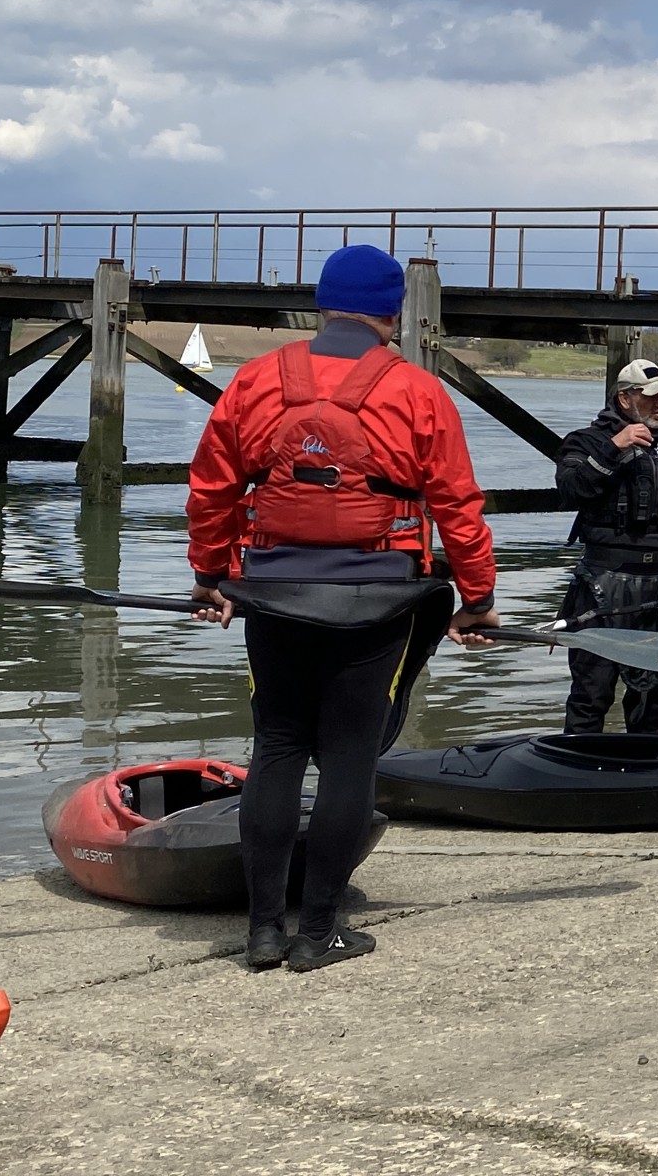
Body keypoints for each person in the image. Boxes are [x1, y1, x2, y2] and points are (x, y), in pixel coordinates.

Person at [187, 245, 500, 971]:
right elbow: (458, 505)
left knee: (278, 747)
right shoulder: (417, 391)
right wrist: (477, 599)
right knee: (350, 759)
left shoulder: (255, 380)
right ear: (393, 314)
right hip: (377, 597)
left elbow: (211, 491)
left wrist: (212, 575)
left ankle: (263, 930)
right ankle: (318, 932)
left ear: (320, 305)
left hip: (271, 594)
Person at [554, 357, 658, 733]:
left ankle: (645, 769)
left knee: (656, 692)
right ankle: (576, 769)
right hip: (603, 581)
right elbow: (570, 490)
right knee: (592, 689)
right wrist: (614, 447)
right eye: (651, 397)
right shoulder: (587, 441)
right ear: (626, 399)